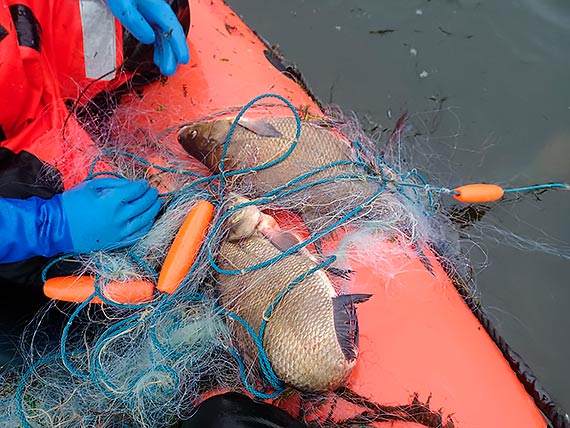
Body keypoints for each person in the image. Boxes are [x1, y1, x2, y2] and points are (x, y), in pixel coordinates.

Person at [0, 0, 190, 288]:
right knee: (136, 245)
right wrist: (48, 225)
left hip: (19, 31)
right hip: (14, 160)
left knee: (167, 14)